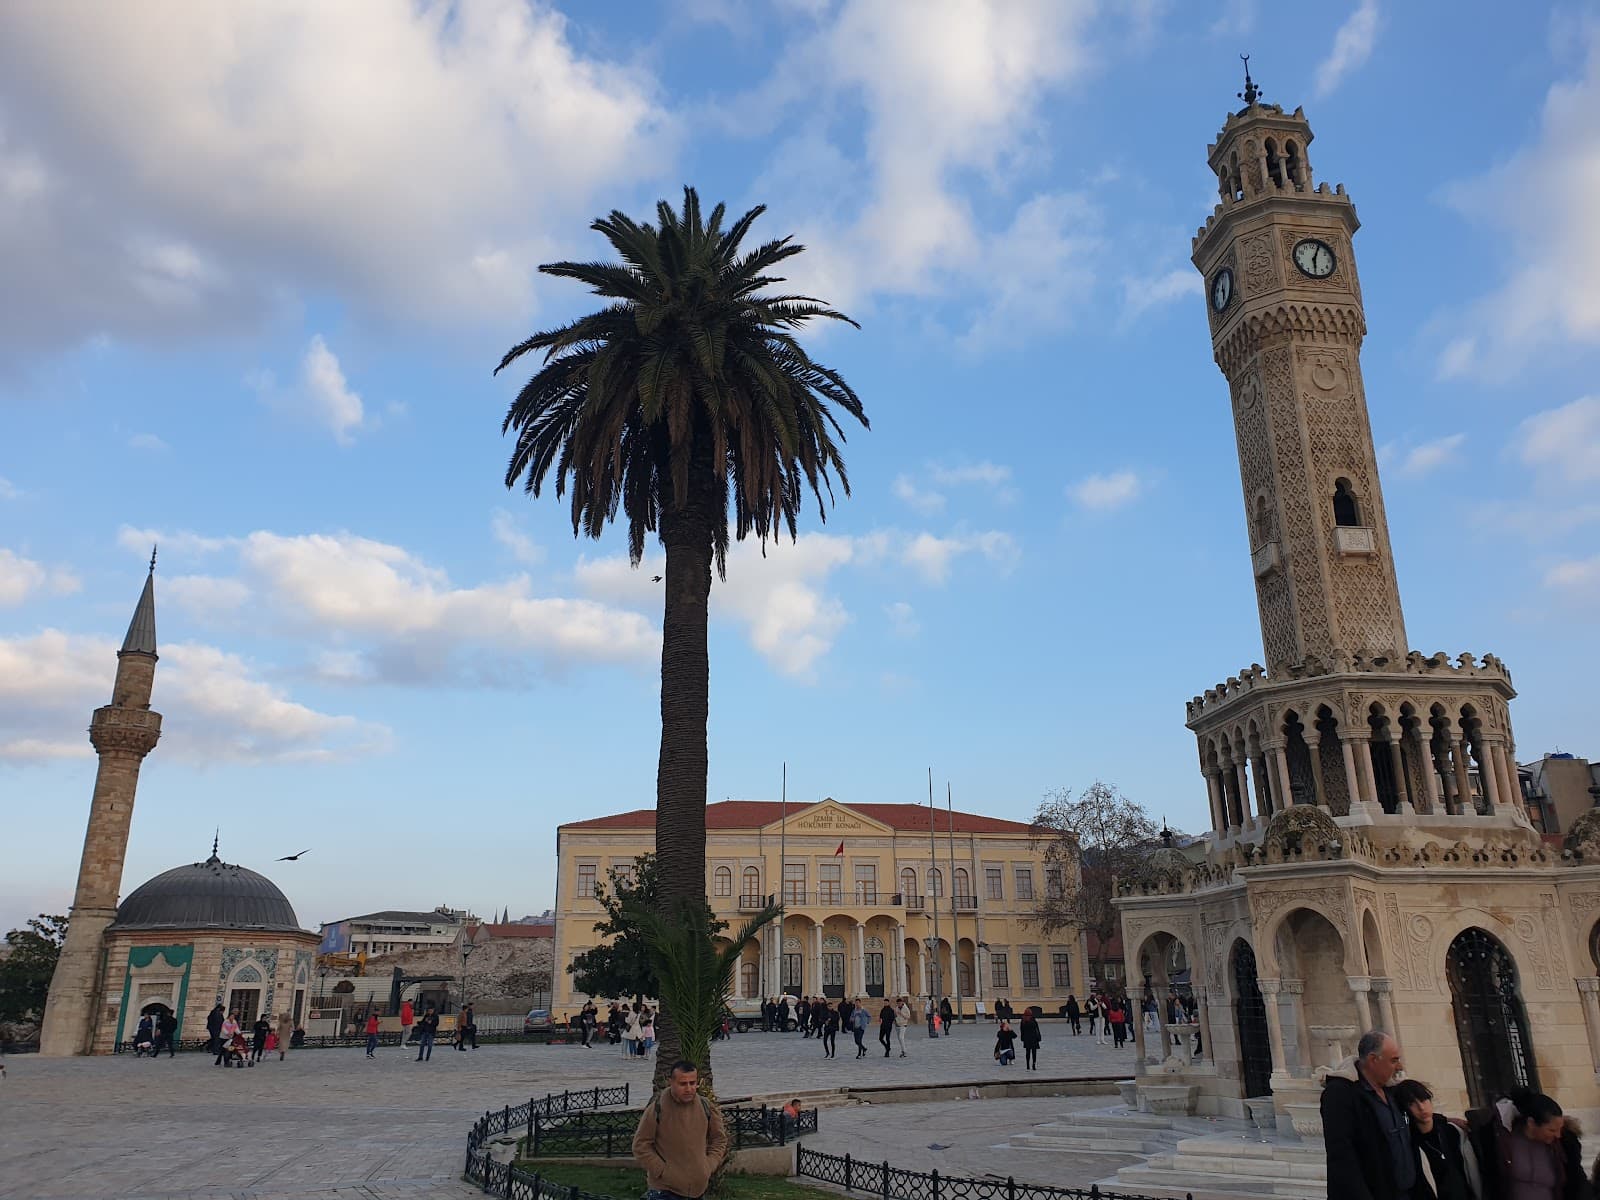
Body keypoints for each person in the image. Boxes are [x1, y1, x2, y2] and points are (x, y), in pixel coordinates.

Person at [1320, 1030, 1415, 1200]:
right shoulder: (1340, 1094)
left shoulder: (1392, 1091)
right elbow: (1342, 1156)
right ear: (1373, 1060)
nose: (1399, 1066)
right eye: (1393, 1060)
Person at [631, 1060, 730, 1200]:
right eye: (683, 1084)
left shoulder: (705, 1106)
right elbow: (640, 1145)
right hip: (664, 1191)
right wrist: (662, 1171)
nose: (689, 1088)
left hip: (698, 1190)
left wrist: (708, 1165)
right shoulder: (657, 1108)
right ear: (671, 1082)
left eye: (692, 1083)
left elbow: (719, 1139)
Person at [1469, 1086, 1587, 1200]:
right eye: (1551, 1130)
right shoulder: (1501, 1140)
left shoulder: (1564, 1145)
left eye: (1560, 1129)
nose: (1558, 1135)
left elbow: (1577, 1182)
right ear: (1531, 1123)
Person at [1392, 1079, 1484, 1200]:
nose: (1421, 1107)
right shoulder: (1410, 1144)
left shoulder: (1453, 1132)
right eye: (1412, 1103)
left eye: (1423, 1099)